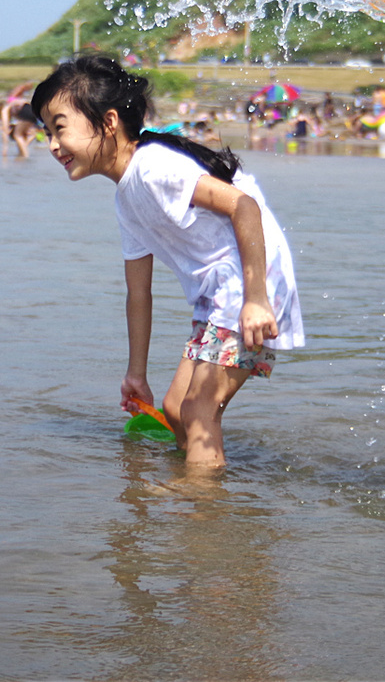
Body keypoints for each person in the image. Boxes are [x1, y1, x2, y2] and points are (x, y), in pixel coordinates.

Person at [31, 56, 304, 468]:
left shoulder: (153, 168)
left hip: (249, 281)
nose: (52, 144)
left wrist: (255, 298)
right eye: (47, 131)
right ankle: (207, 497)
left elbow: (244, 207)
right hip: (219, 295)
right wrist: (135, 374)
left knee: (198, 410)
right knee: (176, 408)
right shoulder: (126, 196)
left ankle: (202, 516)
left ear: (108, 123)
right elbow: (137, 292)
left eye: (60, 127)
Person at [0, 87, 38, 158]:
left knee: (17, 135)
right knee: (30, 134)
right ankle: (23, 150)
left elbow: (5, 129)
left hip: (26, 111)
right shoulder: (14, 106)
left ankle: (25, 155)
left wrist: (5, 148)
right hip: (32, 110)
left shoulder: (5, 109)